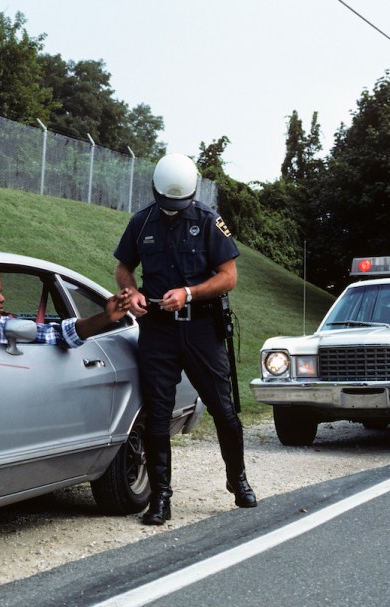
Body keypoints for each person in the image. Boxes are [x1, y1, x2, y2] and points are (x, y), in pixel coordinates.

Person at [113, 152, 257, 525]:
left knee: (223, 409)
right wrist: (134, 294)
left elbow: (229, 276)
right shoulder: (141, 221)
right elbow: (123, 268)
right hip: (158, 329)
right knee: (158, 414)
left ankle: (237, 479)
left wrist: (190, 293)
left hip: (201, 328)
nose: (173, 209)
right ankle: (161, 497)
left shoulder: (209, 221)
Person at [0, 273, 132, 347]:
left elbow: (60, 333)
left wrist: (107, 317)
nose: (2, 299)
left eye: (0, 293)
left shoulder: (2, 328)